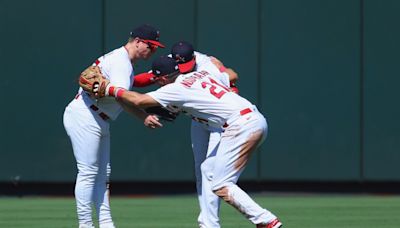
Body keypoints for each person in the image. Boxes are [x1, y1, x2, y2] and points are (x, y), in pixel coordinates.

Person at [83, 56, 282, 228]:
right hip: (255, 119)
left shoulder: (175, 89)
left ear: (161, 78)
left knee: (221, 184)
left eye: (157, 79)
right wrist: (219, 66)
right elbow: (230, 76)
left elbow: (138, 100)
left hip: (239, 127)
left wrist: (110, 88)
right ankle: (209, 223)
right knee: (208, 170)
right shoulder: (200, 74)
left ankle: (266, 221)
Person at [63, 24, 164, 228]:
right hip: (86, 115)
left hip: (98, 117)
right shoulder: (121, 63)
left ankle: (106, 223)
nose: (152, 51)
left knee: (102, 174)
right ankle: (85, 225)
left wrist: (143, 117)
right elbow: (125, 98)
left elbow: (120, 97)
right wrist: (143, 114)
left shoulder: (123, 61)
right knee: (88, 172)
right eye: (150, 46)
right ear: (137, 42)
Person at [131, 41, 239, 227]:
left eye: (187, 64)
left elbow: (232, 76)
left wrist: (222, 76)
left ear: (194, 58)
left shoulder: (205, 63)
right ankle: (206, 217)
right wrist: (122, 80)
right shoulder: (170, 64)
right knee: (201, 169)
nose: (183, 68)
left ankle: (210, 222)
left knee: (210, 171)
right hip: (199, 120)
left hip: (218, 121)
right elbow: (147, 79)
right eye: (180, 65)